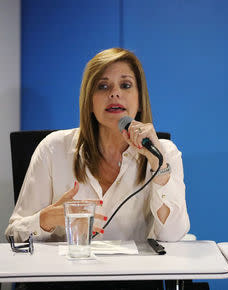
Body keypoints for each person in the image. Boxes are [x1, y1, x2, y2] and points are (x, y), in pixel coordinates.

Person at [6, 48, 190, 245]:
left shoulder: (164, 153)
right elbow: (13, 235)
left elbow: (172, 236)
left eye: (125, 85)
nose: (115, 93)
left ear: (140, 100)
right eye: (103, 86)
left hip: (132, 274)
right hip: (66, 273)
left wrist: (158, 166)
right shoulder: (53, 149)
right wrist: (46, 220)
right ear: (89, 101)